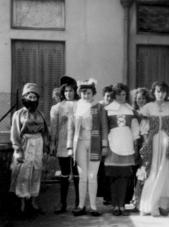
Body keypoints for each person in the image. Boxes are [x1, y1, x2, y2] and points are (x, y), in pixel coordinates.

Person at [139, 81, 169, 217]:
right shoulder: (148, 107)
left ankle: (163, 204)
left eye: (163, 91)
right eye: (158, 91)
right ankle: (149, 204)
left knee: (166, 171)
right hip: (153, 141)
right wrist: (146, 142)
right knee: (152, 171)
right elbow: (144, 128)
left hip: (167, 140)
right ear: (154, 92)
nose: (160, 94)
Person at [67, 79, 108, 216]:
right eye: (83, 92)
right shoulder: (75, 106)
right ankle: (80, 205)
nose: (86, 95)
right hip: (79, 143)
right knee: (82, 175)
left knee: (92, 175)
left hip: (94, 142)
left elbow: (103, 126)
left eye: (89, 92)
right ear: (80, 93)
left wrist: (104, 145)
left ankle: (93, 206)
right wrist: (69, 146)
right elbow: (70, 128)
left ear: (93, 93)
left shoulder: (99, 106)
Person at [10, 82, 49, 217]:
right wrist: (17, 149)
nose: (31, 99)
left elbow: (45, 132)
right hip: (24, 144)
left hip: (38, 144)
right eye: (29, 96)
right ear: (24, 98)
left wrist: (45, 149)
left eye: (34, 97)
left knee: (36, 171)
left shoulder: (41, 115)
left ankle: (33, 203)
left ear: (37, 99)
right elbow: (15, 133)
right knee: (23, 173)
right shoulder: (18, 114)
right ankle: (22, 205)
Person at [104, 83, 140, 216]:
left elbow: (135, 128)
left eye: (124, 94)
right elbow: (104, 128)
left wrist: (136, 143)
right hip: (113, 145)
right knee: (114, 177)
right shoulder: (107, 109)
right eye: (119, 94)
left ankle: (122, 205)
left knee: (125, 177)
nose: (122, 96)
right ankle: (115, 205)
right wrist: (105, 144)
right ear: (114, 95)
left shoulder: (130, 110)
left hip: (127, 145)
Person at [50, 76, 80, 214]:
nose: (69, 93)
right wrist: (52, 143)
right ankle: (62, 203)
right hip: (63, 143)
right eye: (66, 91)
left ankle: (78, 203)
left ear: (75, 91)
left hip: (78, 143)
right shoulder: (57, 107)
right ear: (63, 92)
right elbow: (54, 127)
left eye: (71, 91)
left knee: (77, 174)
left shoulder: (81, 104)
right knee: (64, 174)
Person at [131, 87, 152, 210]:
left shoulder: (150, 112)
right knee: (134, 172)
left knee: (144, 171)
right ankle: (135, 199)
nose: (141, 100)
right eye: (139, 98)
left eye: (143, 98)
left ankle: (140, 200)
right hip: (134, 143)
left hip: (145, 143)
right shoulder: (133, 112)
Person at [97, 85, 113, 206]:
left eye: (111, 96)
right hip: (102, 140)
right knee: (103, 169)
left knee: (111, 168)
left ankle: (110, 195)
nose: (110, 98)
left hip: (113, 140)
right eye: (107, 96)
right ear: (103, 96)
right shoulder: (99, 106)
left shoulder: (115, 107)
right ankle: (105, 195)